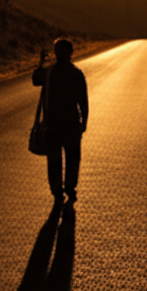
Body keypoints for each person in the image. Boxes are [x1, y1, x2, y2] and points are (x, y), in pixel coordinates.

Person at [33, 38, 88, 205]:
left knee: (54, 161)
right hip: (71, 125)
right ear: (71, 53)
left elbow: (35, 79)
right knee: (72, 159)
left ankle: (57, 191)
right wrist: (84, 121)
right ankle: (70, 187)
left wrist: (41, 63)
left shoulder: (49, 72)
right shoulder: (76, 73)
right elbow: (83, 101)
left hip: (52, 125)